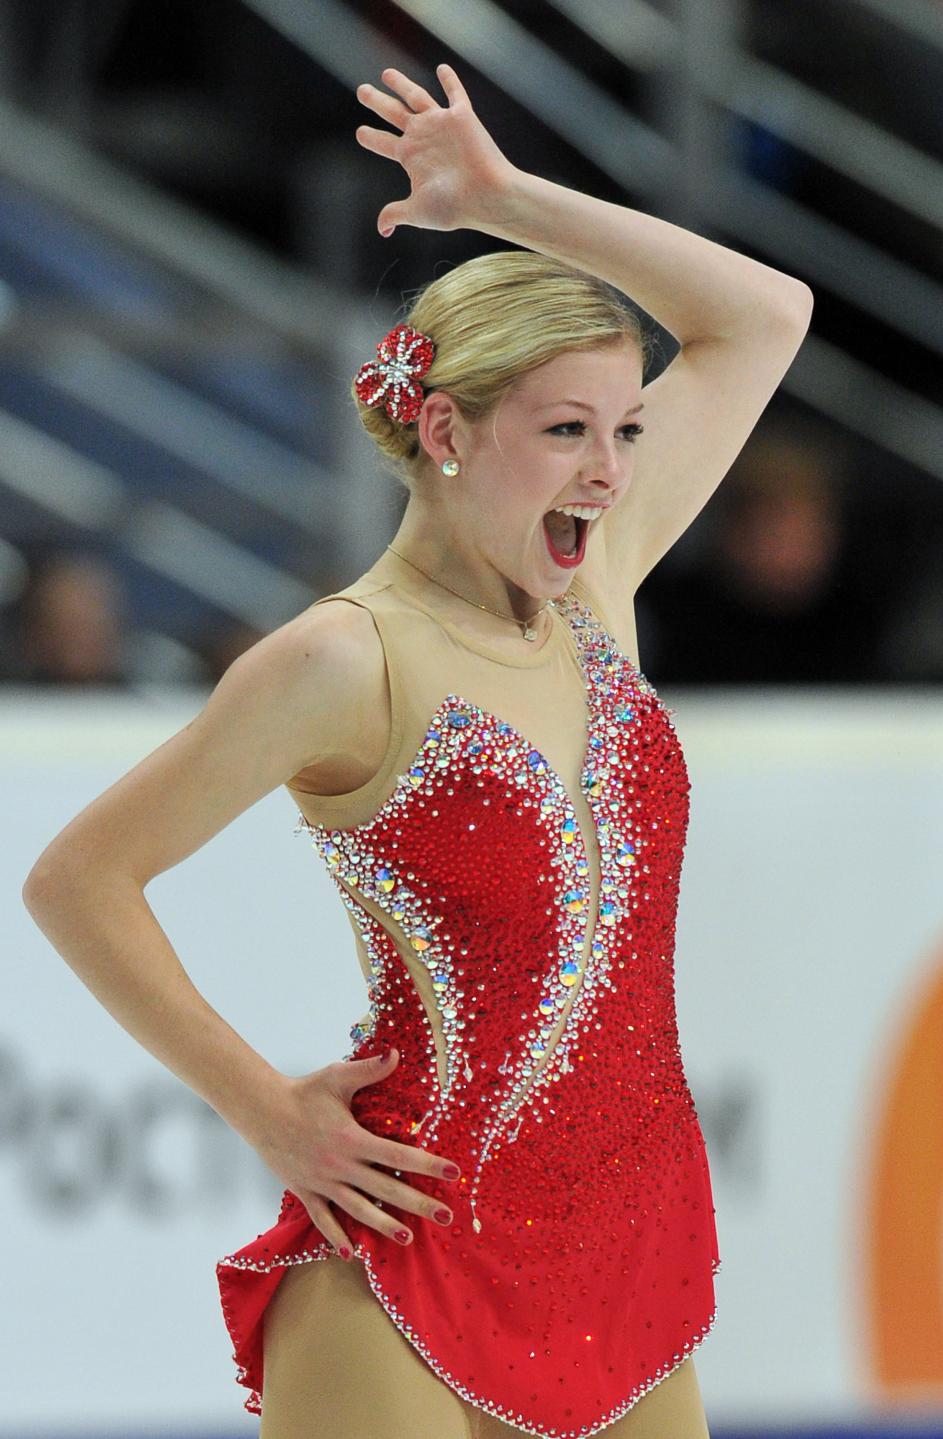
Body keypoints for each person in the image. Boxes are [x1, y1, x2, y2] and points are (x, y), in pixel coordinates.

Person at [21, 61, 813, 1439]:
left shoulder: (600, 582)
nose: (610, 473)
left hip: (630, 1256)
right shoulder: (346, 658)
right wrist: (263, 1107)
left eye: (624, 430)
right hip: (409, 1254)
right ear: (446, 430)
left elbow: (764, 316)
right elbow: (78, 879)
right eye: (566, 431)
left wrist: (505, 203)